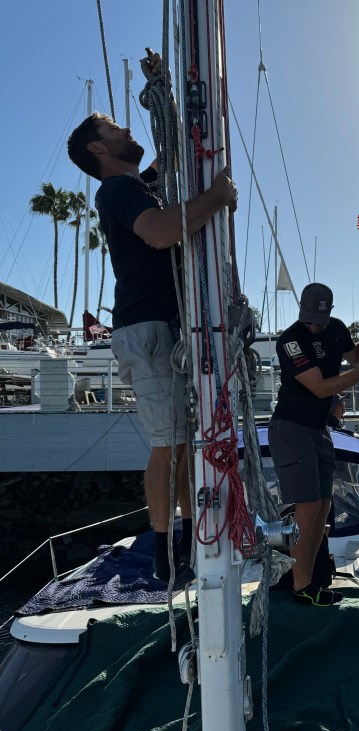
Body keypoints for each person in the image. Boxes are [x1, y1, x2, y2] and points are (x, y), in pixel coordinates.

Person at [66, 100, 238, 584]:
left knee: (181, 443)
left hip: (165, 328)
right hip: (147, 330)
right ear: (98, 148)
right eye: (113, 128)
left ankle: (186, 539)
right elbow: (161, 232)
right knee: (168, 445)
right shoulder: (118, 189)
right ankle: (165, 552)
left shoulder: (137, 185)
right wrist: (217, 196)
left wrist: (166, 92)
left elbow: (171, 158)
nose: (125, 129)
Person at [269, 283, 359, 606]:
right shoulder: (290, 341)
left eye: (318, 321)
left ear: (329, 314)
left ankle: (308, 580)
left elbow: (355, 355)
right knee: (308, 508)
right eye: (308, 319)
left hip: (318, 428)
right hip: (291, 427)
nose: (313, 326)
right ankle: (301, 585)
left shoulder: (335, 329)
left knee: (322, 507)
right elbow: (321, 388)